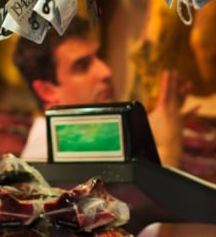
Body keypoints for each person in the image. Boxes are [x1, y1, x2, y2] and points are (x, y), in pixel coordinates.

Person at [12, 17, 182, 165]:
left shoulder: (82, 138)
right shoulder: (47, 163)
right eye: (82, 66)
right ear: (47, 91)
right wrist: (167, 152)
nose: (106, 71)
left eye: (99, 57)